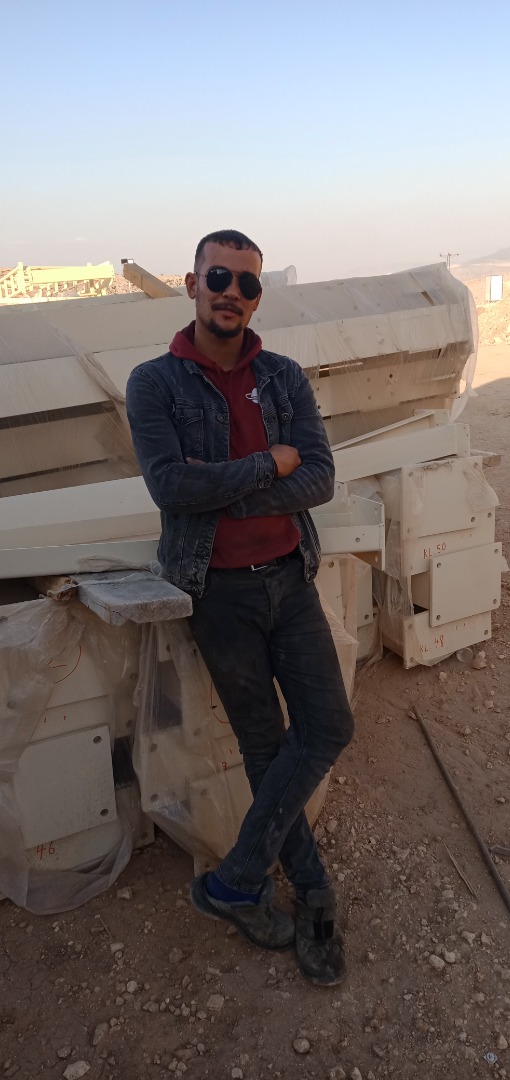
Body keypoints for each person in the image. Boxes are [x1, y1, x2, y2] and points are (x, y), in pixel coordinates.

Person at [126, 229, 354, 985]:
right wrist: (266, 465)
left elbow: (319, 477)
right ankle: (313, 894)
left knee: (327, 727)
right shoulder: (155, 383)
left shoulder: (282, 377)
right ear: (192, 283)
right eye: (219, 277)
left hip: (289, 579)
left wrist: (221, 486)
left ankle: (235, 882)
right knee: (265, 747)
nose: (233, 293)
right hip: (217, 593)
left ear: (258, 298)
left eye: (247, 284)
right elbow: (169, 486)